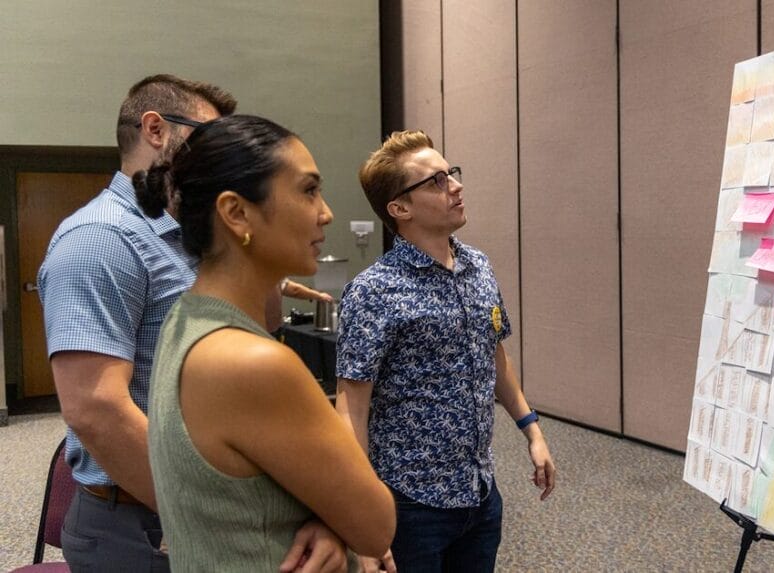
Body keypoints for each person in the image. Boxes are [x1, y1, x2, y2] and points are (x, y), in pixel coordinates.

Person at [37, 75, 340, 572]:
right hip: (145, 525)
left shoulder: (189, 237)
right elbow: (97, 410)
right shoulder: (100, 240)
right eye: (206, 137)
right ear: (155, 129)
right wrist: (223, 515)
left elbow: (259, 337)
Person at [136, 114, 395, 571]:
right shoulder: (253, 363)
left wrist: (331, 521)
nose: (326, 212)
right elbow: (376, 526)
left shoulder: (186, 320)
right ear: (237, 213)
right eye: (308, 190)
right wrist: (344, 521)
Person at [336, 130, 557, 572]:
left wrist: (532, 431)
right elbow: (351, 409)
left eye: (451, 174)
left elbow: (494, 358)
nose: (455, 186)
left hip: (479, 493)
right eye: (435, 181)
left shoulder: (477, 266)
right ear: (399, 208)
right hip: (409, 504)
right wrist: (360, 525)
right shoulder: (372, 291)